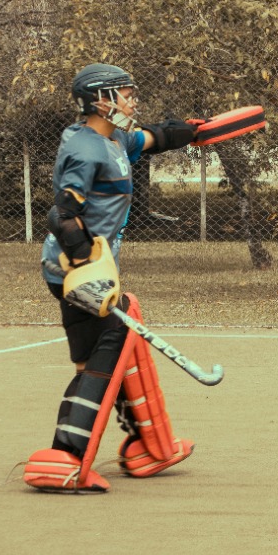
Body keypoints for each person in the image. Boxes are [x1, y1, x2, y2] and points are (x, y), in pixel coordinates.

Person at [22, 63, 198, 493]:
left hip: (93, 271)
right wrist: (87, 269)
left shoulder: (115, 138)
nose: (132, 100)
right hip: (74, 272)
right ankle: (65, 456)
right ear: (101, 101)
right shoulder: (86, 150)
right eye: (125, 93)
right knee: (108, 353)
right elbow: (62, 216)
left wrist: (192, 131)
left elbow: (151, 138)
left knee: (95, 359)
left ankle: (147, 445)